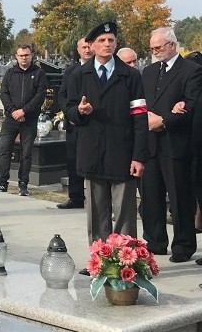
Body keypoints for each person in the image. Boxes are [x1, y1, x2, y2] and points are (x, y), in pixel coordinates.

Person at [66, 22, 148, 275]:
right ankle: (99, 263)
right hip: (92, 152)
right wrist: (79, 112)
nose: (107, 44)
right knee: (96, 213)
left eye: (111, 40)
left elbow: (140, 116)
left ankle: (126, 264)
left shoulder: (130, 76)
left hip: (122, 153)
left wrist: (138, 156)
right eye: (101, 40)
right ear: (91, 45)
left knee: (124, 214)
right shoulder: (80, 75)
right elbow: (68, 108)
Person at [141, 27, 202, 263]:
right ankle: (155, 242)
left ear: (172, 45)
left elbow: (192, 105)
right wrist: (143, 117)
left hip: (176, 143)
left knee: (179, 197)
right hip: (150, 143)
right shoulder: (148, 71)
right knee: (151, 197)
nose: (155, 52)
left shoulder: (192, 70)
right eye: (152, 48)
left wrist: (164, 120)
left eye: (158, 47)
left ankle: (183, 245)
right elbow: (140, 101)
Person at [0, 44, 47, 196]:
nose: (24, 58)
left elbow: (40, 96)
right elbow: (4, 94)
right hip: (11, 119)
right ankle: (2, 182)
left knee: (26, 153)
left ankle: (23, 184)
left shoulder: (39, 74)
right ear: (16, 56)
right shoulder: (10, 73)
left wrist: (24, 111)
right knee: (5, 150)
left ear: (31, 56)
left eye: (26, 55)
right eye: (21, 55)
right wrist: (13, 111)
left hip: (29, 119)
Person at [56, 37, 92, 209]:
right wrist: (70, 113)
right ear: (78, 49)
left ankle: (94, 199)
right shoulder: (71, 71)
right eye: (83, 47)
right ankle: (76, 197)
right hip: (73, 123)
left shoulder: (97, 70)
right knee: (73, 161)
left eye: (89, 46)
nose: (87, 50)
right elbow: (62, 95)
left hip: (92, 123)